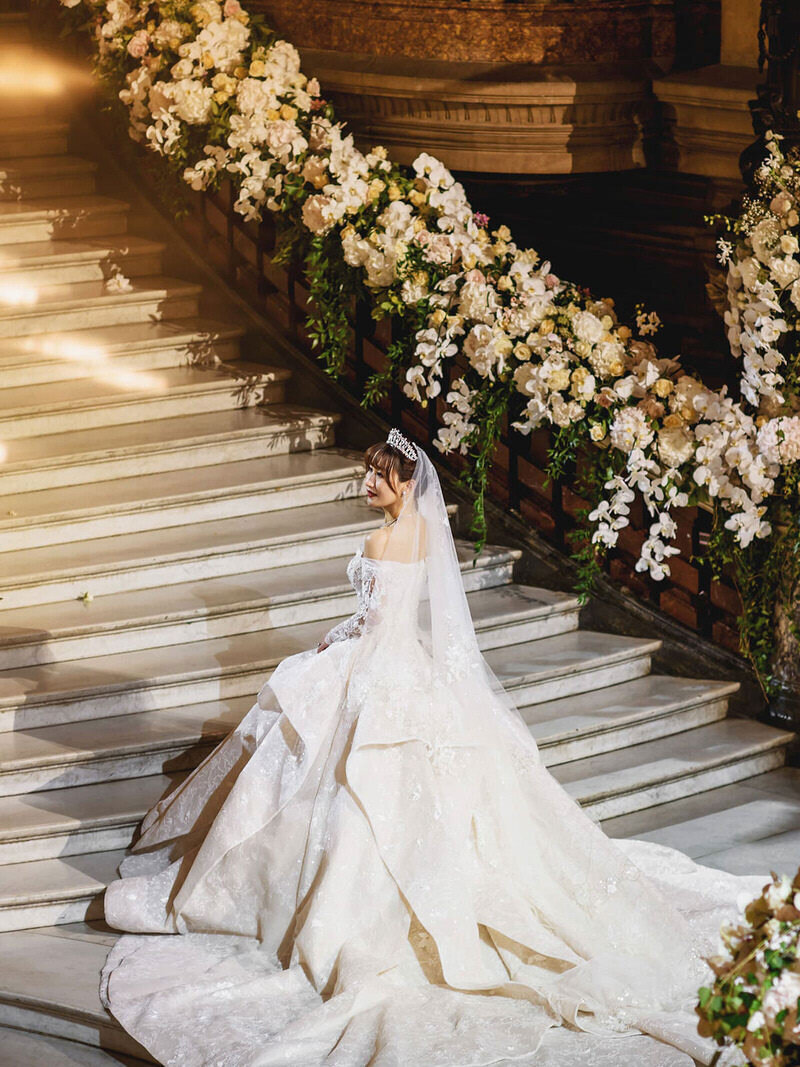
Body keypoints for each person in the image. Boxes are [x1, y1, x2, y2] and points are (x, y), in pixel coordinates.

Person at [101, 429, 762, 1067]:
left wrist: (336, 648)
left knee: (331, 780)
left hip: (380, 670)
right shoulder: (423, 535)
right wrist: (344, 638)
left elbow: (376, 624)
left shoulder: (383, 537)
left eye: (378, 474)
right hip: (410, 665)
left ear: (405, 480)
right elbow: (402, 620)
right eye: (366, 471)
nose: (366, 482)